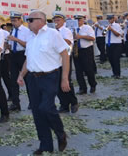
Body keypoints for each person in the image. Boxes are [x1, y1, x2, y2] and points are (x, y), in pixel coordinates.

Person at [17, 11, 69, 154]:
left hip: (50, 76)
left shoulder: (53, 34)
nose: (28, 22)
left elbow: (65, 55)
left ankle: (60, 133)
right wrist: (21, 75)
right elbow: (28, 59)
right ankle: (45, 146)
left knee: (46, 107)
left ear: (41, 20)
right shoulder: (31, 37)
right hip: (33, 79)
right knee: (37, 113)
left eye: (30, 20)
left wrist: (64, 77)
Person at [52, 12, 78, 114]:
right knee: (57, 83)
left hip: (65, 57)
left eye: (58, 20)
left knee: (66, 80)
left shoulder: (66, 31)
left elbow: (67, 41)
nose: (56, 22)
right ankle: (64, 105)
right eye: (55, 20)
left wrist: (55, 37)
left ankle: (74, 102)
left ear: (63, 21)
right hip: (55, 58)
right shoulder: (53, 31)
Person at [7, 11, 32, 112]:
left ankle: (32, 101)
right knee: (13, 80)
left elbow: (27, 45)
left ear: (20, 20)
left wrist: (16, 39)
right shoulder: (12, 30)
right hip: (13, 55)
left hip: (22, 55)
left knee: (27, 79)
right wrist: (8, 45)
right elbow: (11, 43)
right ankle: (15, 103)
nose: (13, 23)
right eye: (12, 21)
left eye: (15, 21)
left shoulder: (26, 31)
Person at [73, 15, 97, 94]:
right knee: (78, 71)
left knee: (88, 69)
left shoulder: (87, 28)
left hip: (86, 50)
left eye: (79, 20)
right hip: (76, 50)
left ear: (83, 20)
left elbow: (92, 38)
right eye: (76, 20)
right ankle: (82, 88)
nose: (78, 22)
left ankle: (93, 84)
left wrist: (81, 36)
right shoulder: (71, 28)